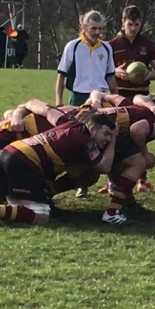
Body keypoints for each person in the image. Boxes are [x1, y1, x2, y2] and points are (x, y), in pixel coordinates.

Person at [0, 116, 118, 226]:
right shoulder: (86, 141)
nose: (108, 138)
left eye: (111, 136)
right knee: (42, 216)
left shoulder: (70, 124)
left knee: (17, 206)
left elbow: (48, 111)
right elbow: (104, 167)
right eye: (106, 134)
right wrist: (114, 141)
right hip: (23, 162)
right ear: (92, 129)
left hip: (9, 153)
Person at [56, 10, 119, 197]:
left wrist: (116, 98)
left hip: (102, 99)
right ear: (84, 27)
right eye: (93, 28)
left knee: (107, 138)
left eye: (100, 29)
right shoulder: (73, 46)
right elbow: (61, 75)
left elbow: (110, 76)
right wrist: (59, 102)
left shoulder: (106, 48)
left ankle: (112, 181)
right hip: (79, 98)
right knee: (81, 139)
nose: (97, 32)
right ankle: (80, 183)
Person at [108, 5, 155, 193]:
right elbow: (103, 71)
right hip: (119, 96)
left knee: (140, 137)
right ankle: (112, 180)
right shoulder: (112, 45)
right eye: (130, 24)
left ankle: (142, 180)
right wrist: (115, 72)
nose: (133, 28)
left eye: (137, 24)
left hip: (141, 96)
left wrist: (146, 75)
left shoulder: (147, 44)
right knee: (115, 137)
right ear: (122, 23)